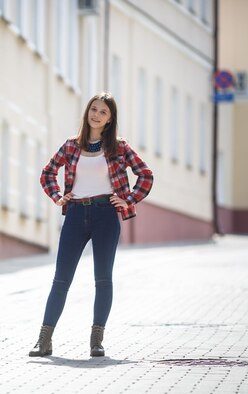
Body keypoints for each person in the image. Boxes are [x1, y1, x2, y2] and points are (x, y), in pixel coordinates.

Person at [29, 92, 153, 358]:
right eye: (93, 109)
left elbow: (145, 175)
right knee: (61, 279)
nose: (96, 114)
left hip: (106, 215)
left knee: (103, 279)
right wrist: (57, 196)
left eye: (103, 112)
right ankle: (44, 339)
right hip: (75, 214)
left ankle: (96, 340)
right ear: (87, 112)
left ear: (109, 120)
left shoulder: (119, 147)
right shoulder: (71, 146)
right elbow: (48, 172)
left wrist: (128, 199)